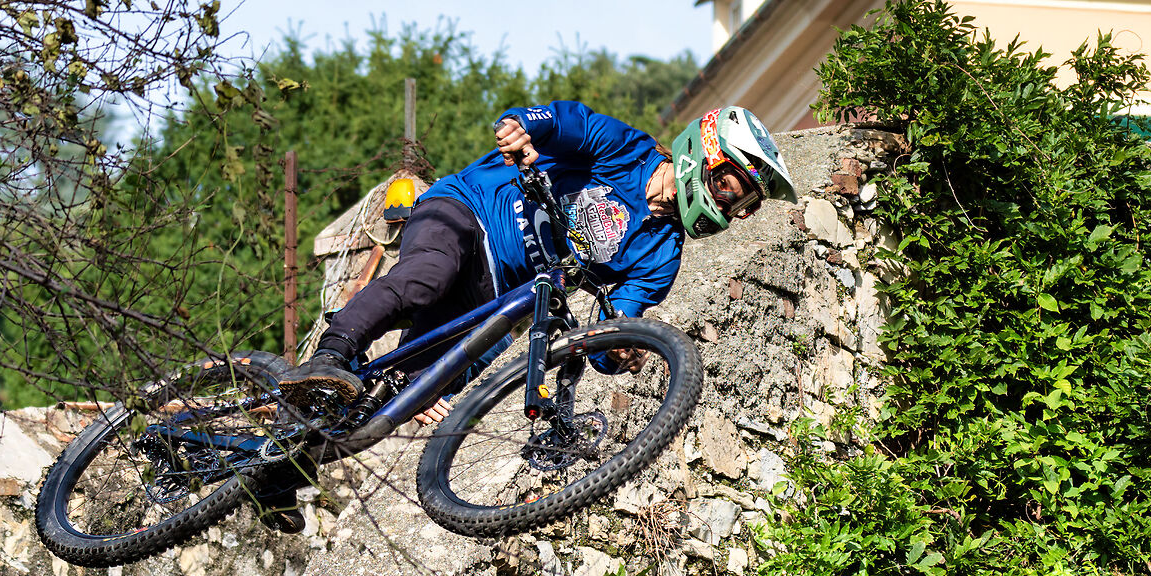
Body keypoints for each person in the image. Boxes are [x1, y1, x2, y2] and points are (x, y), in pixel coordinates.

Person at [279, 102, 798, 402]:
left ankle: (288, 462)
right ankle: (330, 354)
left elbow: (609, 327)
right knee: (427, 278)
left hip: (498, 293)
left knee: (422, 385)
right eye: (734, 189)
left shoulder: (660, 257)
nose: (735, 210)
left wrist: (616, 353)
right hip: (470, 209)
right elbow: (568, 123)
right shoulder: (626, 151)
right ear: (705, 155)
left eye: (746, 204)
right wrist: (528, 129)